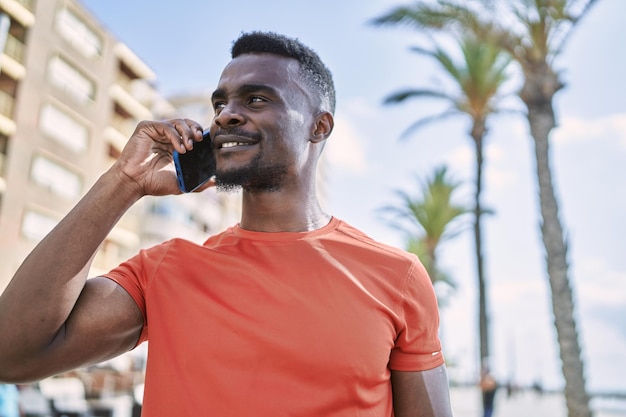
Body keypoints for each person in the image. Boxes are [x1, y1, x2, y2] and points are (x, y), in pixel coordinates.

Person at [0, 31, 453, 416]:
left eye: (256, 98)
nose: (225, 115)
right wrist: (124, 183)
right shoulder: (164, 270)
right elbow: (11, 353)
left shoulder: (399, 278)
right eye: (221, 103)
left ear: (319, 126)